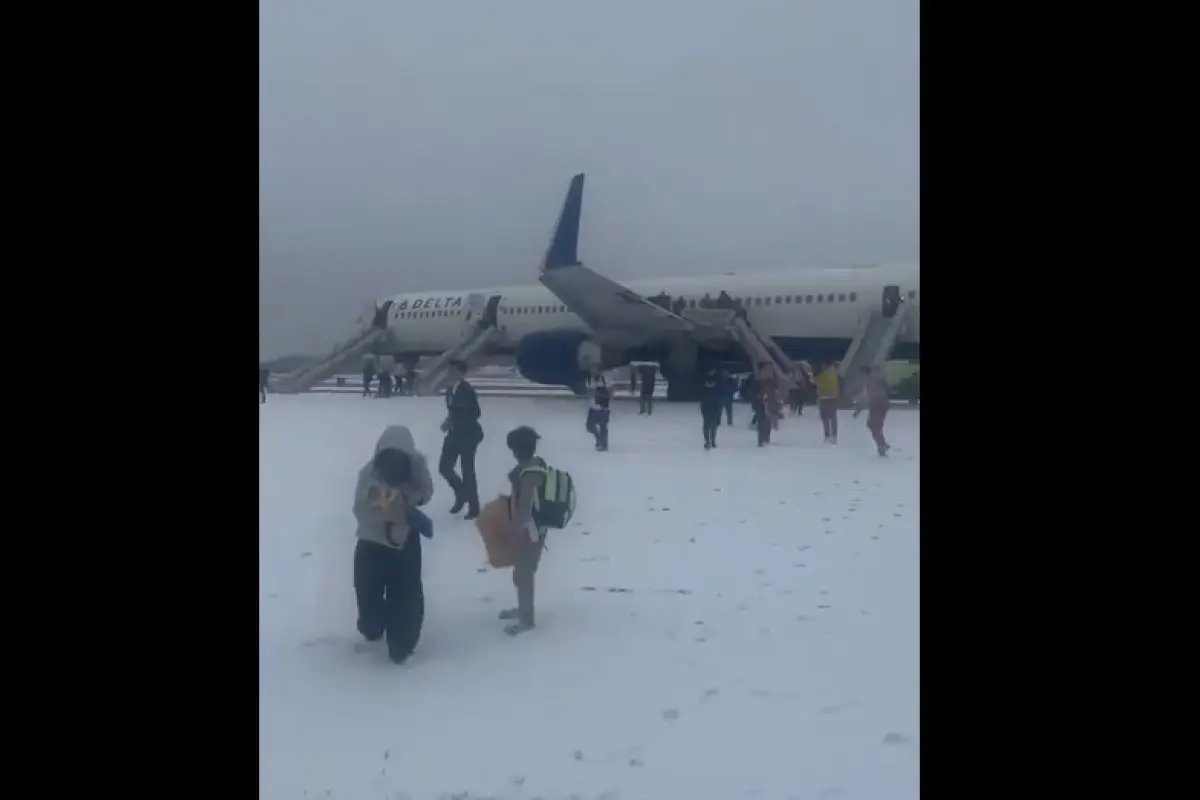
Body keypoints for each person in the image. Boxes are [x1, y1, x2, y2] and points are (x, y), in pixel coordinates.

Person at [351, 425, 434, 664]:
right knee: (368, 602)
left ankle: (402, 641)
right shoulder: (369, 474)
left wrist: (408, 503)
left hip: (405, 543)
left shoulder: (417, 467)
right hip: (371, 542)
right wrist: (384, 508)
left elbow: (426, 492)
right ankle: (372, 625)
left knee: (406, 594)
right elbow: (359, 509)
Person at [499, 426, 548, 636]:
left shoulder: (529, 473)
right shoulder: (535, 466)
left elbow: (526, 504)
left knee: (524, 572)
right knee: (522, 571)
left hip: (530, 529)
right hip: (535, 527)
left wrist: (518, 527)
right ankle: (523, 607)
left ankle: (527, 618)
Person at [439, 360, 483, 518]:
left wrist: (454, 421)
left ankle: (474, 506)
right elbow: (453, 411)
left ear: (461, 373)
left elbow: (476, 413)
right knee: (444, 467)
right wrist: (449, 420)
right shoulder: (450, 389)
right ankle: (462, 492)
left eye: (453, 371)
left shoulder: (467, 390)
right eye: (449, 370)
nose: (449, 373)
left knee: (467, 470)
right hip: (455, 433)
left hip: (469, 434)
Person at [853, 365, 892, 456]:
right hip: (879, 405)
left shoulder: (870, 381)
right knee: (874, 425)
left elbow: (866, 398)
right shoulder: (872, 380)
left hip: (878, 405)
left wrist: (858, 410)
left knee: (874, 425)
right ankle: (882, 444)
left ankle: (882, 445)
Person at [814, 361, 841, 444]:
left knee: (825, 418)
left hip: (823, 398)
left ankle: (827, 435)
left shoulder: (821, 376)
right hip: (833, 398)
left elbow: (815, 382)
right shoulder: (835, 375)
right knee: (833, 417)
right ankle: (834, 435)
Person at [699, 366, 723, 449]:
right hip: (709, 409)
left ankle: (710, 441)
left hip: (711, 409)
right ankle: (710, 441)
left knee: (710, 426)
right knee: (710, 426)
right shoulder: (714, 390)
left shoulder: (708, 390)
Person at [586, 374, 611, 451]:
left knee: (603, 426)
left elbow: (610, 391)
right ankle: (599, 439)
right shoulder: (589, 378)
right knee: (589, 426)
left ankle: (603, 444)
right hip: (593, 407)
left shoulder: (605, 378)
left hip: (603, 407)